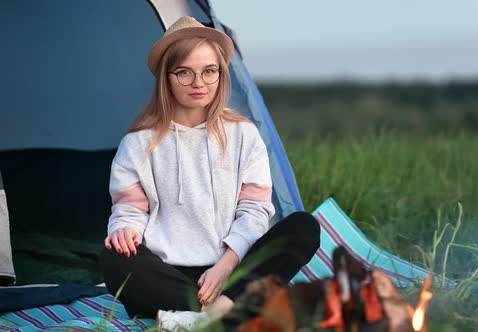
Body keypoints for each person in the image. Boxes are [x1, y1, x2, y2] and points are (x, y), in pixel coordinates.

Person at [99, 16, 320, 331]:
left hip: (231, 269)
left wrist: (226, 265)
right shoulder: (138, 142)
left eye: (209, 71)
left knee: (304, 226)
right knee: (112, 256)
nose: (198, 82)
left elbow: (255, 209)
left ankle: (208, 314)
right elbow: (129, 207)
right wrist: (125, 229)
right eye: (185, 72)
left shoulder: (243, 135)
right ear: (167, 77)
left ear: (221, 74)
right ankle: (225, 312)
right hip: (165, 275)